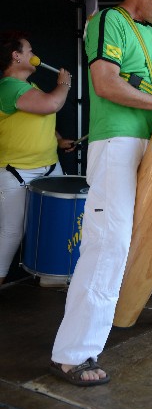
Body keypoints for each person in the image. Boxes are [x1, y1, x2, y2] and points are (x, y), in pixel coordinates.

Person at [50, 0, 152, 386]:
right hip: (116, 143)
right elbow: (105, 83)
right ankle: (74, 353)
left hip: (150, 143)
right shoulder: (109, 21)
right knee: (108, 242)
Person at [0, 31, 74, 286]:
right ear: (16, 56)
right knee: (12, 232)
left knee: (54, 223)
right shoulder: (8, 87)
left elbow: (38, 116)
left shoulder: (29, 87)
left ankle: (50, 274)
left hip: (49, 167)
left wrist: (58, 139)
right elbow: (50, 105)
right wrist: (64, 84)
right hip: (16, 171)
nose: (34, 55)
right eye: (29, 51)